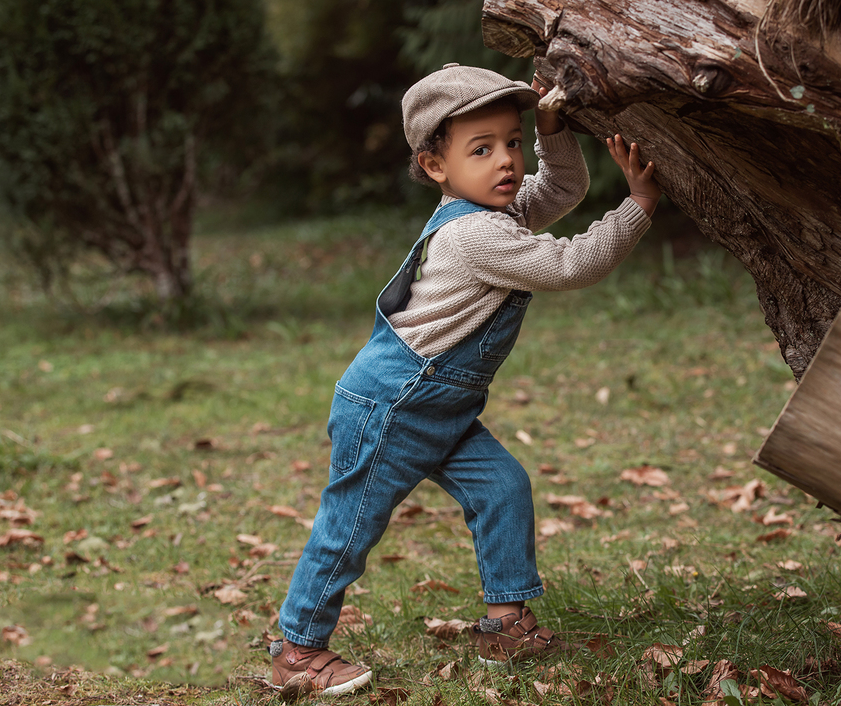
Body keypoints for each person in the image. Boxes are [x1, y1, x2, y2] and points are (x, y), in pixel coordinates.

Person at [268, 63, 660, 699]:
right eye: (482, 150)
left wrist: (552, 129)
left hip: (437, 404)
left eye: (511, 140)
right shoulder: (475, 234)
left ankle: (507, 623)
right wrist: (639, 206)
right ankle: (300, 650)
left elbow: (562, 189)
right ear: (434, 166)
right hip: (394, 405)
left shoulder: (489, 210)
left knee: (502, 486)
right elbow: (570, 263)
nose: (506, 161)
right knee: (352, 525)